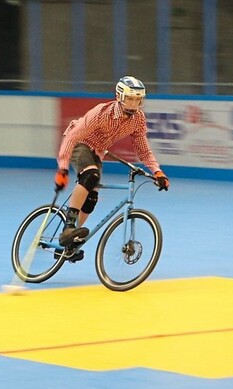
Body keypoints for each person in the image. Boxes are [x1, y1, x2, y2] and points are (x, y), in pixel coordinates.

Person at [54, 75, 170, 261]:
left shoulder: (138, 120)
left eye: (137, 99)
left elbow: (143, 149)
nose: (133, 104)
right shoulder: (101, 113)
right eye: (129, 98)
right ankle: (68, 227)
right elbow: (72, 137)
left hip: (98, 152)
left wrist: (157, 171)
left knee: (92, 197)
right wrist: (63, 169)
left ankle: (72, 239)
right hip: (80, 144)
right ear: (119, 96)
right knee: (90, 176)